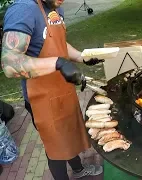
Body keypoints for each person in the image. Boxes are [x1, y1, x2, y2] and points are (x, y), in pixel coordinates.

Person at [0, 0, 105, 179]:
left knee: (69, 134)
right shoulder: (24, 9)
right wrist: (58, 63)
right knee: (55, 147)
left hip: (62, 88)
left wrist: (82, 57)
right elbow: (9, 65)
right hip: (41, 97)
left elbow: (60, 43)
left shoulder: (55, 6)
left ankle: (78, 170)